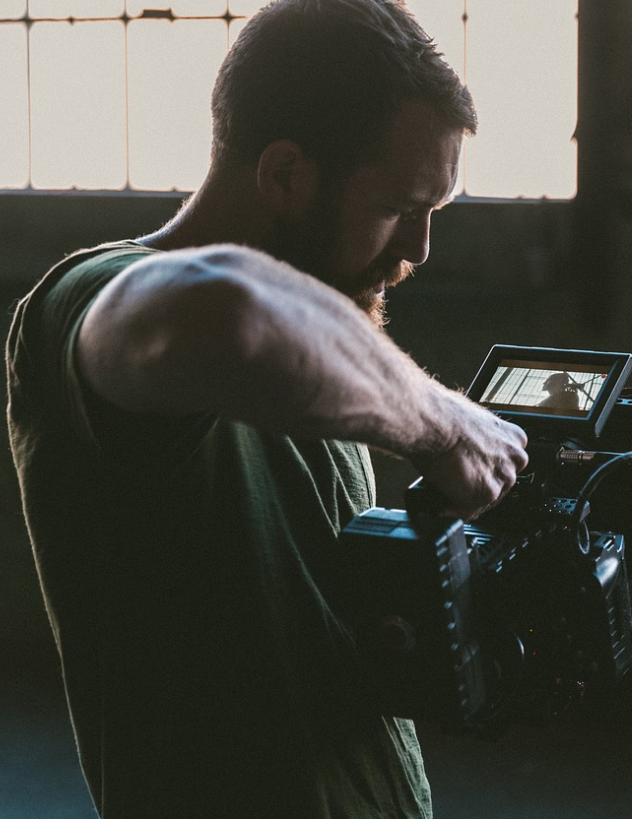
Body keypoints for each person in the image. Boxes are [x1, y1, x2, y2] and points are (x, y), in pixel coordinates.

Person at [5, 1, 528, 817]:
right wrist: (446, 426)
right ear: (286, 173)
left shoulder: (322, 334)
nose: (419, 248)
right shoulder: (81, 301)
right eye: (399, 206)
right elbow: (230, 315)